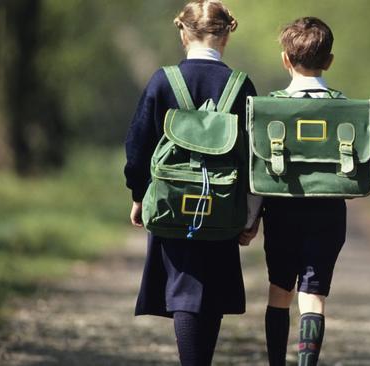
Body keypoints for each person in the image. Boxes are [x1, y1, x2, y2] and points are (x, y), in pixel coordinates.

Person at [242, 17, 370, 366]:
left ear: (285, 60)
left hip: (281, 212)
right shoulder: (345, 110)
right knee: (314, 296)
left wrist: (249, 221)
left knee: (279, 291)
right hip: (328, 213)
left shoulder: (270, 108)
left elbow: (256, 172)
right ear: (330, 61)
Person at [123, 1, 256, 365]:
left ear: (183, 32)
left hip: (172, 201)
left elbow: (138, 144)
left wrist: (138, 194)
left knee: (184, 289)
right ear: (227, 33)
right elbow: (253, 157)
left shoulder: (163, 80)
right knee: (211, 291)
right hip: (224, 204)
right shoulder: (241, 85)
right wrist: (252, 215)